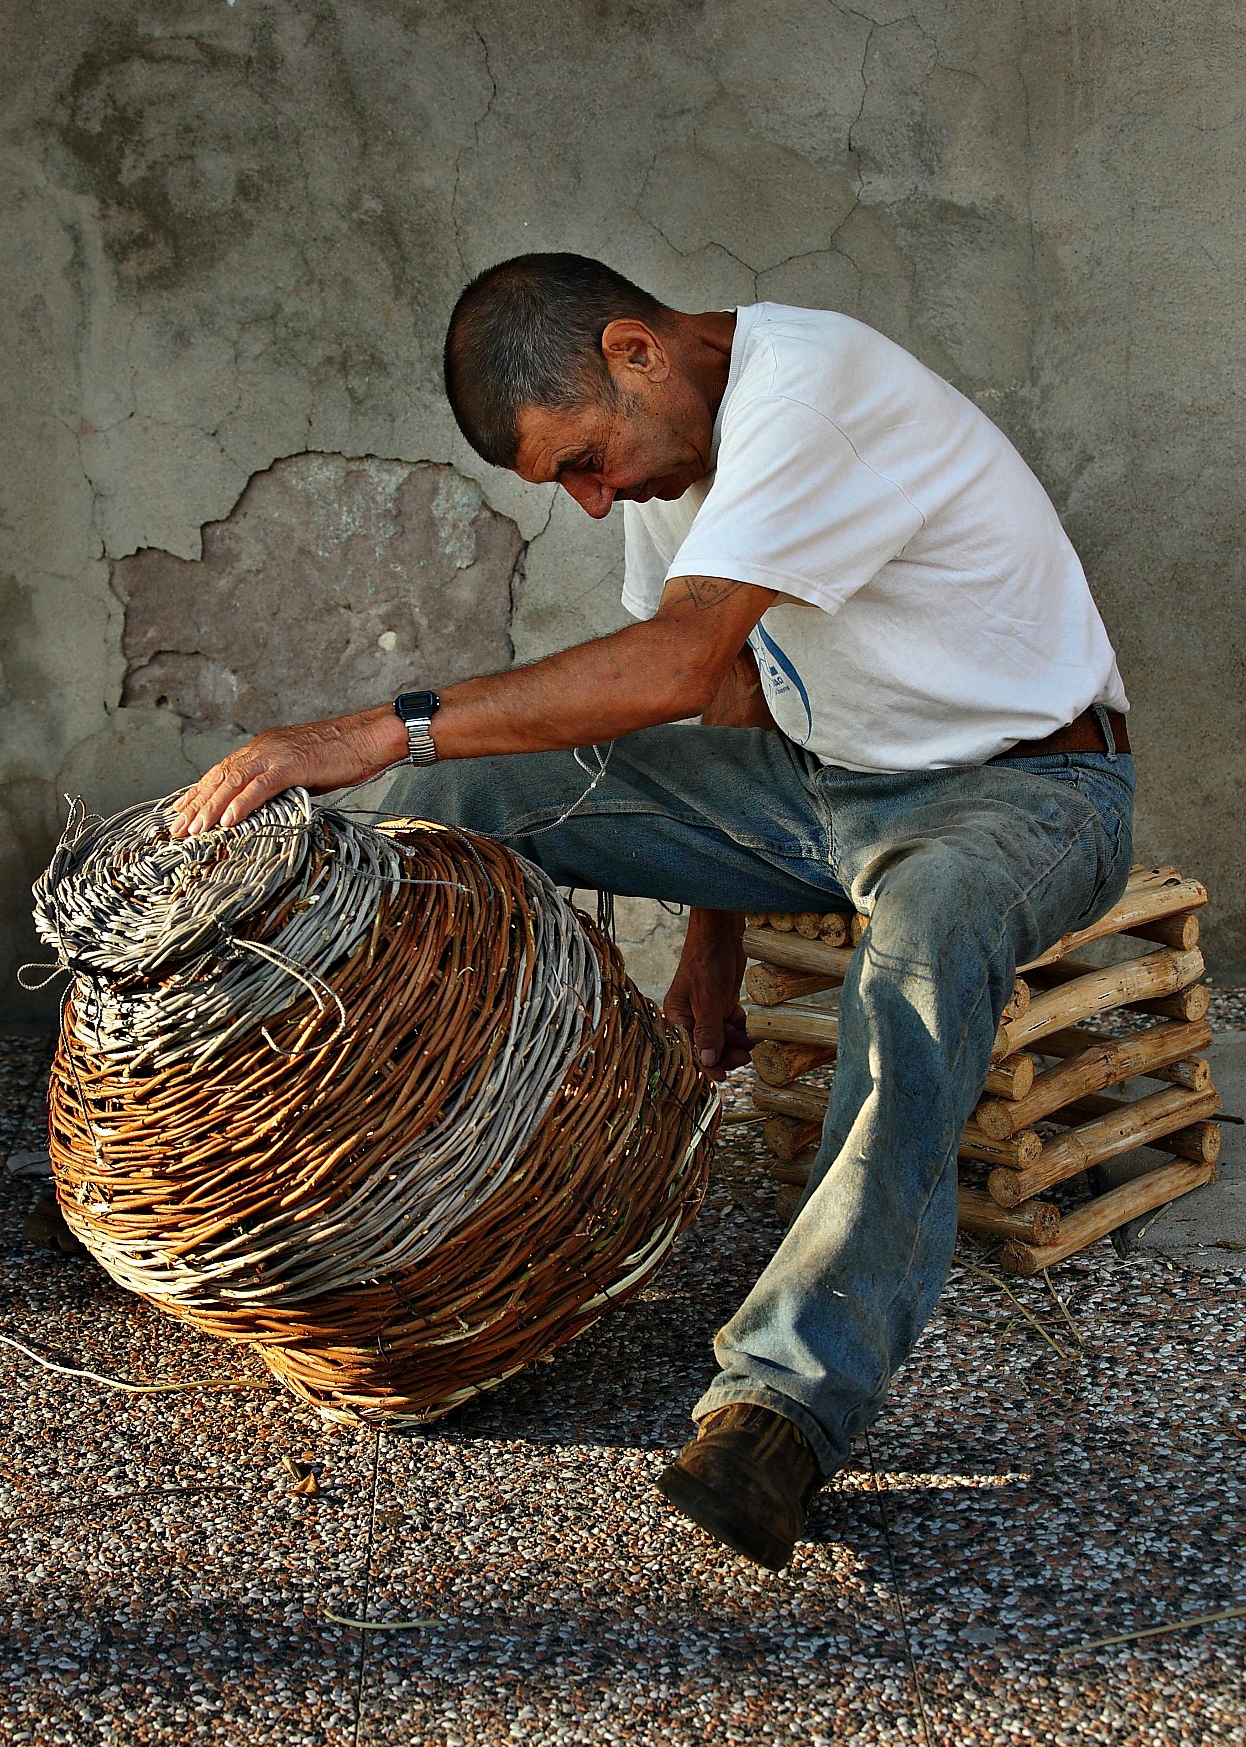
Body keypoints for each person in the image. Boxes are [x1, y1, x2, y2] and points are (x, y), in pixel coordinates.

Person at [172, 254, 1134, 1572]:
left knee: (914, 951)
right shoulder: (668, 444)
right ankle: (395, 1166)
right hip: (813, 785)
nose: (592, 498)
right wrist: (709, 942)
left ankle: (784, 1403)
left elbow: (669, 658)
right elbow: (729, 686)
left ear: (635, 349)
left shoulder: (816, 389)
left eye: (579, 460)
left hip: (1021, 793)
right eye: (566, 480)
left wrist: (369, 728)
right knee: (462, 786)